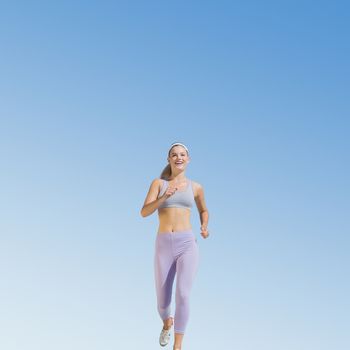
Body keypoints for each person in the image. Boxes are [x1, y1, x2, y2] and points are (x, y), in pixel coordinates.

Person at [140, 142, 210, 350]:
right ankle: (166, 322)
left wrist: (204, 226)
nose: (178, 157)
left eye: (182, 155)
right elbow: (144, 212)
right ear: (168, 159)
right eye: (174, 155)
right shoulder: (158, 183)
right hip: (163, 245)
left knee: (184, 294)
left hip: (187, 244)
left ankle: (178, 346)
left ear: (188, 159)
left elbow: (204, 210)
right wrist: (165, 196)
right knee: (162, 302)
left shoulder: (196, 187)